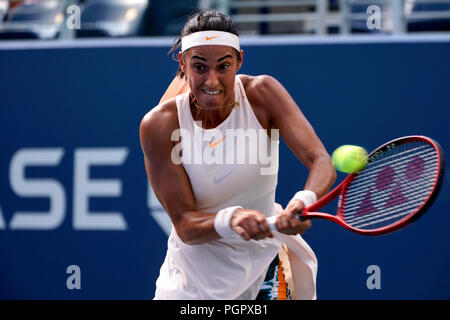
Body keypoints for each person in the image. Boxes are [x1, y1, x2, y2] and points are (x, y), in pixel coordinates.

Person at [139, 9, 336, 300]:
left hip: (266, 269)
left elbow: (320, 160)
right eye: (200, 67)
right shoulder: (160, 124)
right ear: (183, 63)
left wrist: (302, 202)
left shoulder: (263, 94)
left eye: (223, 66)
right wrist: (231, 219)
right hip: (192, 284)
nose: (212, 81)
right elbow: (185, 226)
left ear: (239, 60)